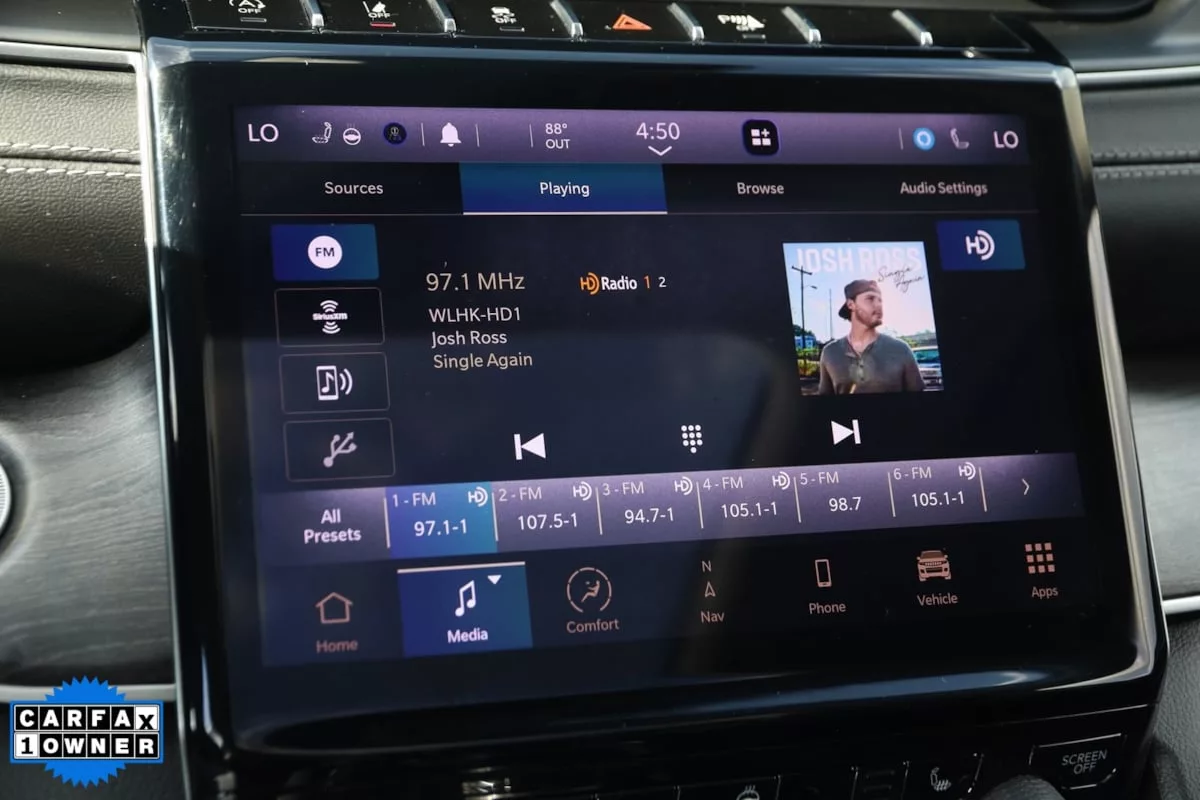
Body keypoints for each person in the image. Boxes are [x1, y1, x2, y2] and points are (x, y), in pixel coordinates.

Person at [817, 279, 925, 394]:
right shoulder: (830, 352)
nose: (878, 305)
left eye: (880, 300)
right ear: (851, 304)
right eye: (870, 299)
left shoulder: (901, 350)